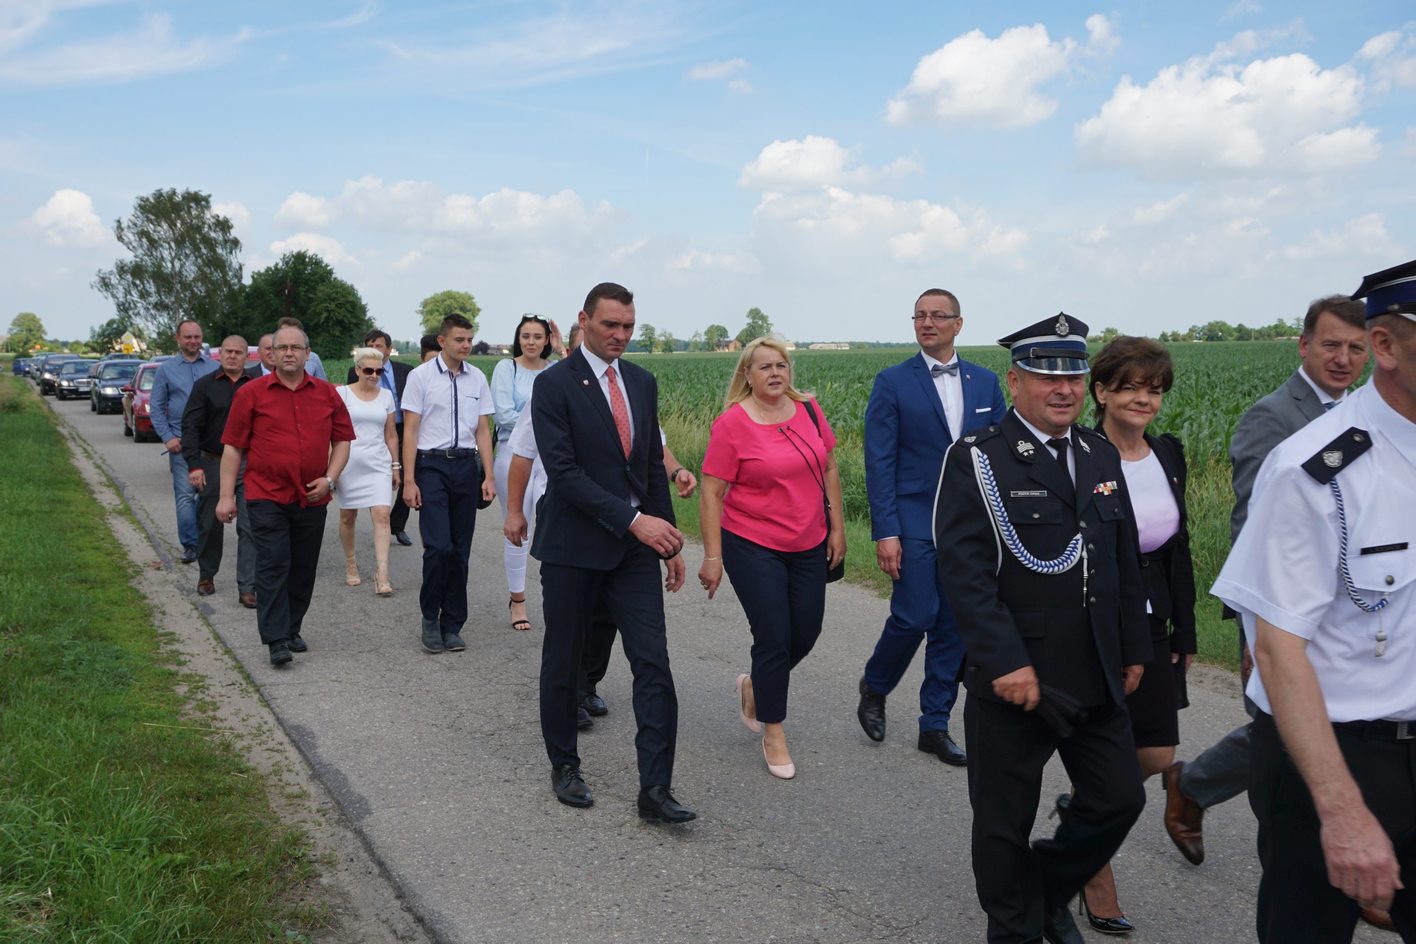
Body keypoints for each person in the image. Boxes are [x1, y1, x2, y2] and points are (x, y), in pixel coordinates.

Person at [1212, 258, 1416, 943]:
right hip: (1334, 753)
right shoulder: (1318, 467)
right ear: (1386, 346)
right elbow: (1277, 646)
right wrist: (1343, 810)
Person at [934, 313, 1150, 944]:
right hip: (1017, 676)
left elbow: (1121, 558)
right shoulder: (979, 458)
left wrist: (1133, 646)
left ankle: (1047, 891)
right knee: (1003, 822)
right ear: (1015, 381)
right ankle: (1015, 929)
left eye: (1073, 377)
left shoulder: (1098, 452)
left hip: (1094, 669)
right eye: (1046, 376)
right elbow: (965, 573)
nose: (1063, 389)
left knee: (1118, 799)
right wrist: (1003, 659)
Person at [1164, 295, 1369, 868]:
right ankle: (1288, 846)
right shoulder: (1272, 417)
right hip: (1284, 609)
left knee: (1342, 725)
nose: (1343, 359)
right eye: (1331, 345)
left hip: (1350, 607)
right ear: (1303, 345)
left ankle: (1194, 785)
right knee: (1281, 728)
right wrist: (1255, 632)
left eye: (1356, 348)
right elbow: (1252, 526)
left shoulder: (1367, 413)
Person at [529, 281, 694, 823]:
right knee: (565, 659)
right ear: (584, 321)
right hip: (574, 547)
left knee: (652, 663)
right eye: (610, 325)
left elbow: (648, 466)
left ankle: (656, 789)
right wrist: (634, 521)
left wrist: (667, 537)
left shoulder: (641, 382)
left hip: (633, 551)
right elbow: (565, 473)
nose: (621, 335)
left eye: (628, 326)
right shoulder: (554, 385)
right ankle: (565, 765)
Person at [1064, 336, 1196, 935]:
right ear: (1102, 392)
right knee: (1107, 754)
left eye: (1155, 389)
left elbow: (1177, 548)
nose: (1145, 399)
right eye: (1132, 387)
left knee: (1156, 754)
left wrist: (1184, 629)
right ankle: (1095, 873)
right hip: (1096, 619)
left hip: (1152, 619)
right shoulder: (1079, 456)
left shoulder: (1168, 453)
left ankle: (1084, 812)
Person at [858, 287, 1006, 767]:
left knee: (953, 625)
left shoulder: (985, 383)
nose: (927, 323)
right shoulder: (892, 382)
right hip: (913, 518)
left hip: (969, 525)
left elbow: (1000, 454)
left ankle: (935, 724)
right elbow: (879, 461)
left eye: (938, 316)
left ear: (958, 324)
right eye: (920, 315)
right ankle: (875, 685)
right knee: (915, 615)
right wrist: (886, 531)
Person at [697, 336, 844, 780]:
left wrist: (837, 528)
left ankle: (755, 686)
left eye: (781, 365)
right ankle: (774, 730)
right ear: (747, 374)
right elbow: (711, 491)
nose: (775, 373)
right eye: (764, 367)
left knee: (806, 632)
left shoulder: (810, 410)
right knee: (774, 635)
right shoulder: (732, 424)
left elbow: (829, 467)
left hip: (808, 540)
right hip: (752, 543)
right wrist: (713, 556)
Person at [217, 325, 353, 666]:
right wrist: (225, 496)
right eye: (282, 348)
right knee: (273, 563)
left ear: (308, 354)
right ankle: (276, 638)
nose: (289, 353)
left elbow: (342, 441)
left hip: (313, 496)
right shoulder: (251, 394)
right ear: (271, 354)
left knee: (303, 566)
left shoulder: (327, 394)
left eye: (296, 347)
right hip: (266, 495)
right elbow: (233, 448)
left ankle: (292, 627)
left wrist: (330, 479)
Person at [401, 314, 496, 654]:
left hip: (466, 466)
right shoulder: (420, 377)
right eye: (459, 339)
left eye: (469, 339)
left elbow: (482, 429)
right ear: (442, 341)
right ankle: (430, 616)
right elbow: (410, 430)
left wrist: (489, 475)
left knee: (459, 551)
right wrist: (409, 480)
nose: (466, 345)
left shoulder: (477, 378)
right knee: (438, 547)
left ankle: (452, 624)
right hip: (432, 466)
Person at [182, 335, 257, 607]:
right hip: (212, 461)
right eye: (228, 351)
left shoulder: (256, 385)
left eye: (238, 352)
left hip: (249, 463)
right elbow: (190, 426)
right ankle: (207, 575)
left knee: (250, 525)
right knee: (210, 522)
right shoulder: (204, 385)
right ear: (219, 354)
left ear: (247, 356)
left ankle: (247, 586)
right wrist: (194, 465)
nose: (233, 356)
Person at [491, 315, 555, 633]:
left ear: (547, 340)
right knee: (518, 526)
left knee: (555, 526)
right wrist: (545, 420)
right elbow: (503, 415)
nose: (531, 342)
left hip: (549, 459)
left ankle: (558, 597)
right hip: (513, 455)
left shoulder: (554, 370)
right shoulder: (507, 369)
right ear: (518, 339)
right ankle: (518, 600)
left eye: (538, 336)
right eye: (525, 336)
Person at [150, 319, 218, 564]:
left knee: (208, 494)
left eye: (196, 337)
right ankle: (190, 545)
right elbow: (156, 408)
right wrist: (167, 438)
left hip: (209, 445)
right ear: (178, 339)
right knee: (185, 496)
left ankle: (205, 537)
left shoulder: (214, 368)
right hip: (180, 445)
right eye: (188, 337)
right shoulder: (166, 370)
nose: (193, 341)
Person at [336, 347, 400, 596]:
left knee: (382, 515)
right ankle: (350, 562)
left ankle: (382, 573)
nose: (374, 375)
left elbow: (391, 434)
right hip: (348, 463)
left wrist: (395, 465)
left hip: (378, 463)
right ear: (357, 370)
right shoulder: (342, 394)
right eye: (369, 370)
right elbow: (333, 432)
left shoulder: (386, 396)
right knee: (347, 516)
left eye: (379, 371)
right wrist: (331, 470)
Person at [345, 330, 414, 547]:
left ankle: (397, 524)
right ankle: (376, 512)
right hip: (371, 430)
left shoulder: (405, 371)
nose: (375, 349)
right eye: (370, 345)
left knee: (407, 475)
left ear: (388, 349)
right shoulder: (354, 372)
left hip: (401, 429)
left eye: (379, 345)